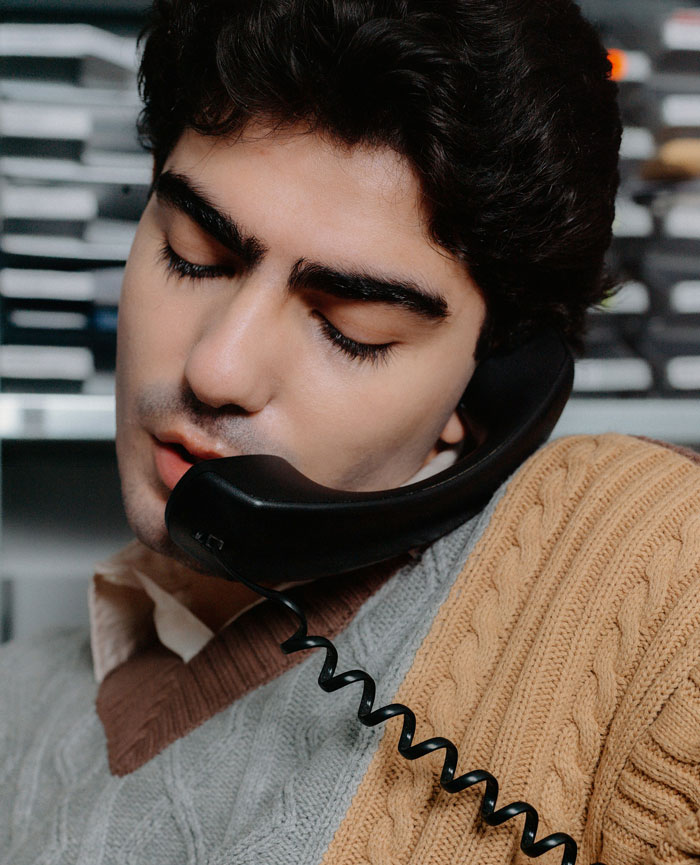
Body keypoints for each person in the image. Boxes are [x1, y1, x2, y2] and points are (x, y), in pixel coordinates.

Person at [3, 1, 700, 863]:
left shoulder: (639, 566)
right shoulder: (16, 694)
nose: (217, 369)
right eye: (193, 253)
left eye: (351, 328)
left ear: (490, 389)